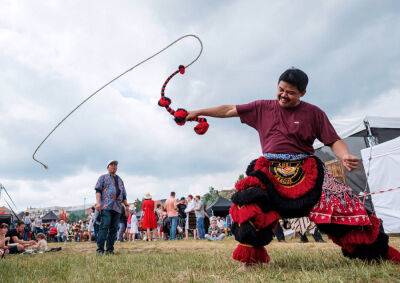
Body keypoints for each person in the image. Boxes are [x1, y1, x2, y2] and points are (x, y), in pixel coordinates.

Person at [187, 68, 400, 265]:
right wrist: (197, 111)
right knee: (248, 201)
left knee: (346, 204)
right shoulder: (262, 107)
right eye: (280, 90)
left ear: (302, 93)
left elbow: (333, 140)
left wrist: (344, 155)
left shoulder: (314, 113)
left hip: (308, 168)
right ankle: (251, 259)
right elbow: (228, 109)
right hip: (269, 169)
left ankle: (375, 254)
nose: (283, 95)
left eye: (290, 92)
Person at [95, 160, 129, 254]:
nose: (114, 166)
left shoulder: (120, 180)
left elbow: (124, 196)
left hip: (117, 208)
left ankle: (110, 249)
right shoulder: (103, 178)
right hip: (106, 206)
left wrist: (127, 206)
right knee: (104, 226)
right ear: (108, 167)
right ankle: (100, 250)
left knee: (114, 229)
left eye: (115, 165)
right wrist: (98, 203)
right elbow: (98, 191)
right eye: (112, 165)